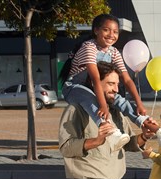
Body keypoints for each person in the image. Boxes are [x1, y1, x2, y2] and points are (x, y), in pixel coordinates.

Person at [59, 13, 150, 151]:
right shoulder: (89, 47)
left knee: (118, 99)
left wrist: (139, 104)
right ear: (96, 30)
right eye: (106, 30)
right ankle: (110, 130)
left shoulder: (114, 52)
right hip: (75, 87)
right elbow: (95, 78)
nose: (111, 35)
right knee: (90, 98)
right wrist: (103, 105)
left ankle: (142, 120)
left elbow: (127, 79)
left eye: (115, 32)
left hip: (96, 88)